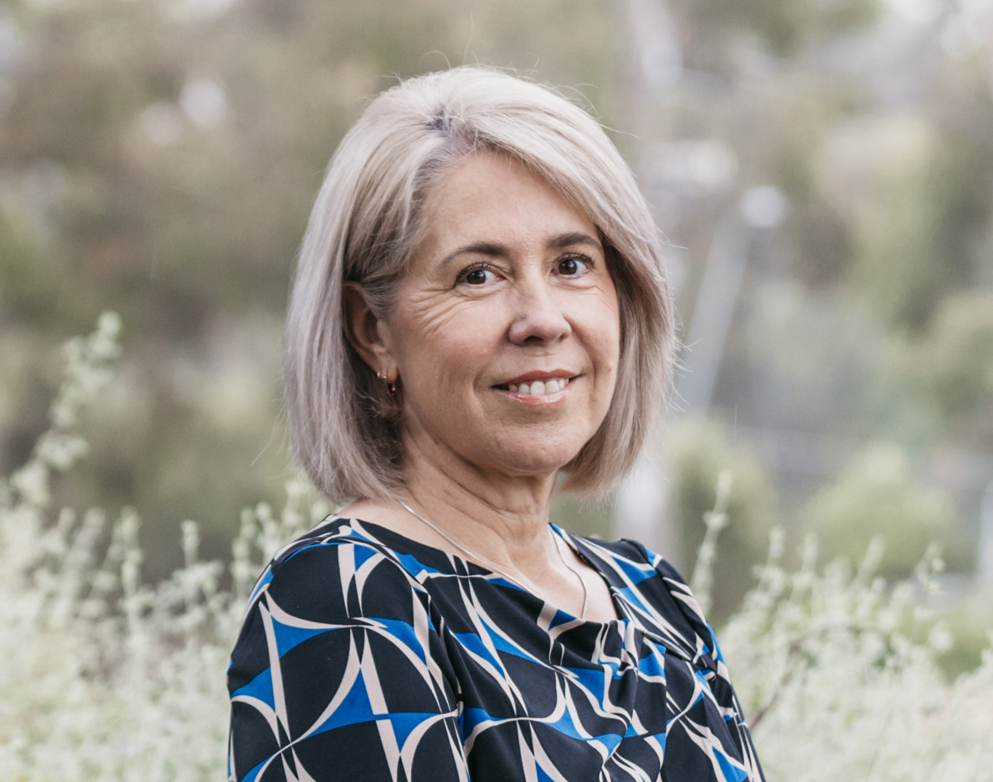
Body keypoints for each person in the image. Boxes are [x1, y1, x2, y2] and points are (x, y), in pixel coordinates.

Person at [226, 66, 764, 782]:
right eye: (479, 275)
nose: (543, 319)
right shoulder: (348, 599)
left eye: (573, 264)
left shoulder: (658, 605)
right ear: (373, 331)